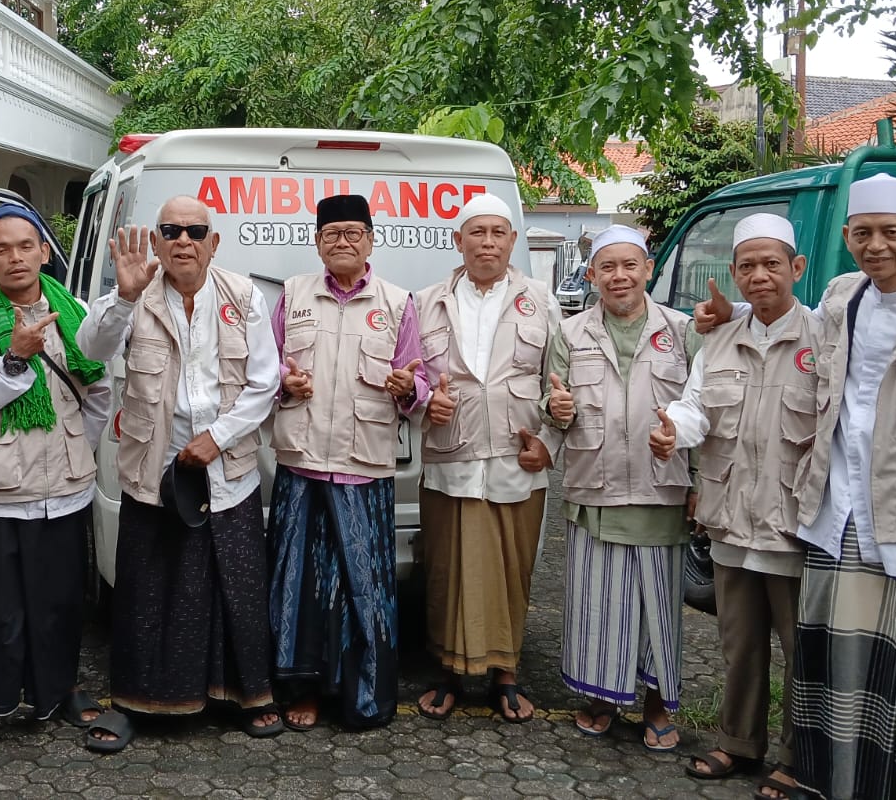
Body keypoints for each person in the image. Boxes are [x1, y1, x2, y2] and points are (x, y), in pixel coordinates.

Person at [694, 173, 896, 800]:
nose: (877, 246)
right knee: (833, 670)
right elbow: (788, 321)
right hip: (839, 517)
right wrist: (733, 311)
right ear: (847, 238)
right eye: (864, 233)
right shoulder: (844, 298)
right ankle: (828, 782)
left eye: (891, 233)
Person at [76, 196, 283, 746]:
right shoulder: (133, 294)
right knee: (148, 590)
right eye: (171, 230)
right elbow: (90, 349)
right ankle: (133, 701)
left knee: (234, 587)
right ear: (160, 241)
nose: (183, 240)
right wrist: (122, 296)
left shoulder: (245, 298)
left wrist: (217, 439)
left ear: (214, 243)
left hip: (227, 468)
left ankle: (246, 695)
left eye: (195, 231)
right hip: (154, 470)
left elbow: (266, 381)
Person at [649, 213, 814, 797]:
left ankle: (798, 757)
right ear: (735, 275)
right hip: (730, 519)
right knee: (740, 644)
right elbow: (696, 408)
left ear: (797, 268)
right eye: (748, 266)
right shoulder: (718, 339)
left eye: (773, 264)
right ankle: (739, 743)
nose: (760, 275)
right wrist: (673, 428)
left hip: (794, 526)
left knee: (801, 650)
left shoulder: (823, 339)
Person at [0, 206, 113, 747]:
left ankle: (57, 692)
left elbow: (98, 393)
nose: (15, 258)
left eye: (25, 246)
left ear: (44, 251)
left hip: (64, 489)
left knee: (60, 603)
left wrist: (76, 452)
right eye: (1, 249)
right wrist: (14, 360)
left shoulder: (75, 312)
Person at [268, 194, 429, 732]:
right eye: (332, 233)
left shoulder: (399, 303)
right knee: (301, 587)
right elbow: (262, 374)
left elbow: (420, 381)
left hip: (366, 470)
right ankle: (304, 690)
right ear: (317, 242)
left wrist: (411, 389)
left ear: (370, 240)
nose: (343, 242)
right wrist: (282, 386)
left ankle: (362, 697)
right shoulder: (292, 297)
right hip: (303, 469)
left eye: (353, 233)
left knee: (365, 590)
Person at [543, 223, 698, 752]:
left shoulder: (682, 330)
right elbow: (554, 405)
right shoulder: (570, 332)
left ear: (650, 268)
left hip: (662, 491)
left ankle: (657, 704)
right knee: (597, 603)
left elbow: (705, 411)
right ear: (591, 275)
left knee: (658, 606)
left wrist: (701, 483)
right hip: (595, 490)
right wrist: (555, 410)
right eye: (607, 267)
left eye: (630, 265)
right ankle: (602, 699)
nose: (619, 276)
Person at [411, 193, 558, 724]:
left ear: (513, 241)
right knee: (446, 571)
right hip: (451, 460)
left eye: (499, 232)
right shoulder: (426, 302)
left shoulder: (540, 301)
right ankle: (448, 674)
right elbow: (408, 381)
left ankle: (506, 674)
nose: (489, 241)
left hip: (517, 462)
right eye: (478, 232)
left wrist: (551, 445)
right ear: (459, 240)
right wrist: (427, 400)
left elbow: (561, 386)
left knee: (512, 570)